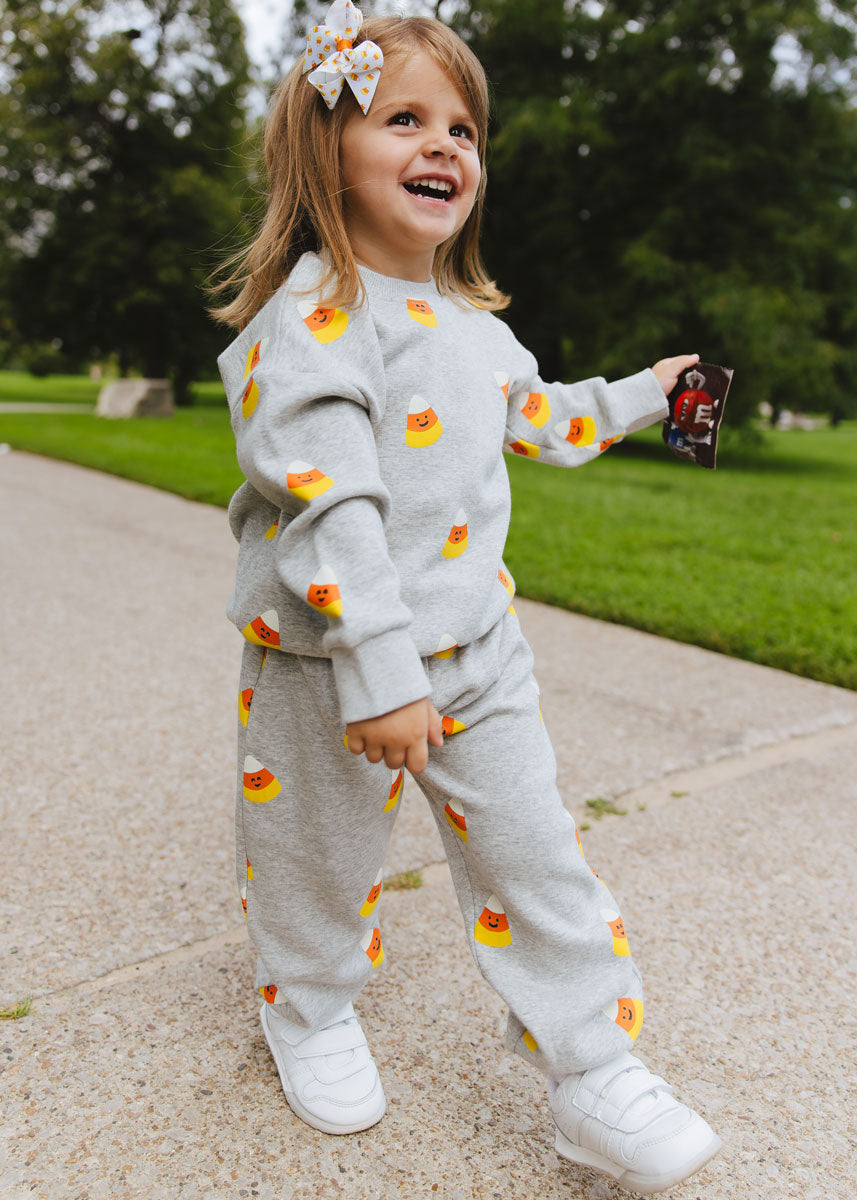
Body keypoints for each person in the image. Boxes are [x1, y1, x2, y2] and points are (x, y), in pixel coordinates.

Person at [211, 3, 722, 1192]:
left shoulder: (475, 331)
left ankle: (592, 1073)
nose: (444, 145)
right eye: (403, 119)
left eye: (461, 128)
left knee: (535, 854)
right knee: (315, 856)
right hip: (327, 663)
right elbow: (328, 510)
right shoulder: (309, 322)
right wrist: (377, 674)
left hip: (477, 654)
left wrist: (647, 392)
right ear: (323, 152)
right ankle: (312, 1008)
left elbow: (542, 419)